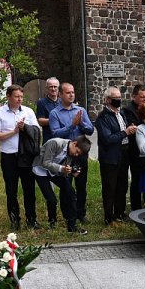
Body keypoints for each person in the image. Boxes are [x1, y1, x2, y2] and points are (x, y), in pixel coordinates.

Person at [0, 84, 40, 230]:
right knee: (11, 190)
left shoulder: (28, 111)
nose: (20, 99)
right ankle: (14, 220)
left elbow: (37, 131)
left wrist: (26, 128)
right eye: (17, 96)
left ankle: (32, 219)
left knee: (29, 189)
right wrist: (14, 131)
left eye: (21, 97)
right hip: (9, 157)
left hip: (26, 156)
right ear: (8, 97)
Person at [47, 82, 94, 223]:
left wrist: (81, 124)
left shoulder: (80, 110)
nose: (71, 95)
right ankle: (68, 214)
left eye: (73, 92)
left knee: (81, 185)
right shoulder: (54, 113)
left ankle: (81, 213)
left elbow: (90, 130)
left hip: (80, 154)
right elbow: (55, 133)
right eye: (68, 92)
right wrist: (72, 125)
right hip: (65, 154)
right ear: (60, 94)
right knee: (66, 186)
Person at [96, 87, 137, 226]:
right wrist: (125, 132)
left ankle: (120, 212)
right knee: (110, 187)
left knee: (122, 185)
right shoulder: (103, 117)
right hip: (110, 156)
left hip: (124, 152)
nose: (119, 100)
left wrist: (129, 129)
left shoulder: (121, 113)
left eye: (120, 97)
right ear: (108, 100)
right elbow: (107, 138)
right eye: (116, 97)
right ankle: (109, 217)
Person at [32, 136, 91, 234]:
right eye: (77, 151)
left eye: (78, 154)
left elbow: (63, 171)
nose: (76, 155)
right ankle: (52, 222)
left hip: (54, 172)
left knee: (70, 191)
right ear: (74, 143)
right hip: (40, 170)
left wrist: (70, 172)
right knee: (51, 199)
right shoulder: (55, 143)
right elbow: (45, 163)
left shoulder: (70, 154)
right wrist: (62, 169)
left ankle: (72, 225)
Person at [121, 85, 145, 213]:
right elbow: (133, 126)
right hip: (135, 151)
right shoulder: (128, 110)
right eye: (142, 97)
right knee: (136, 180)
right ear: (134, 97)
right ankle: (136, 208)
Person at [36, 77, 59, 144]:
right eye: (51, 87)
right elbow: (40, 121)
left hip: (62, 137)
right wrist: (56, 120)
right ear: (46, 88)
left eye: (55, 87)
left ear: (58, 88)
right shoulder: (41, 102)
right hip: (49, 138)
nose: (53, 89)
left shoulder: (62, 102)